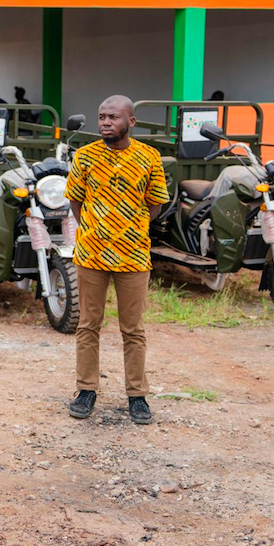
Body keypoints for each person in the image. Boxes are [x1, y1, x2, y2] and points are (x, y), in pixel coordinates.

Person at [65, 95, 170, 425]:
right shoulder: (84, 157)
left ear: (131, 122)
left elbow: (155, 204)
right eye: (102, 116)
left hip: (134, 256)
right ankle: (86, 390)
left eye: (113, 117)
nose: (106, 122)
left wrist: (131, 227)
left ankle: (137, 396)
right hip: (91, 254)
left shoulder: (149, 157)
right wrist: (96, 229)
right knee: (87, 325)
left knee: (133, 329)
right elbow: (76, 202)